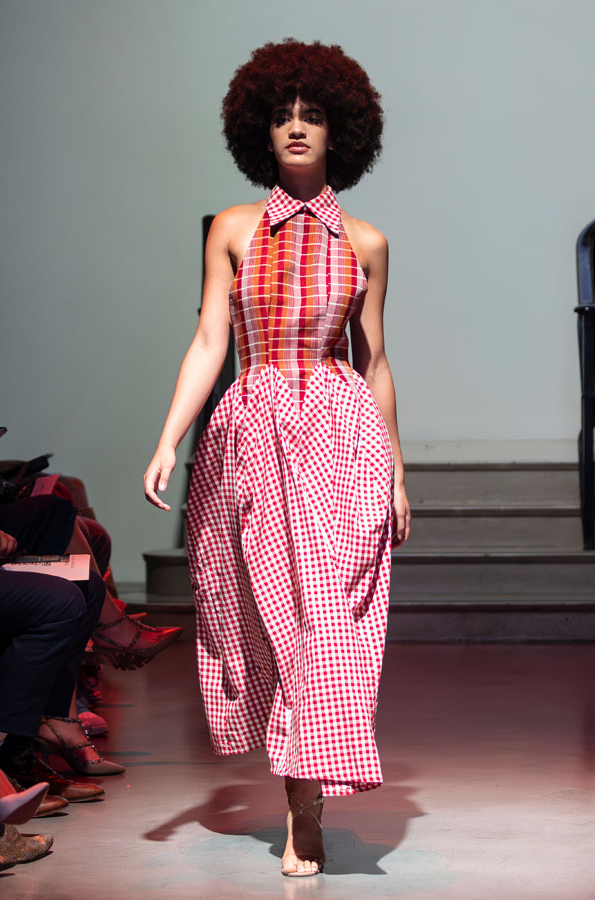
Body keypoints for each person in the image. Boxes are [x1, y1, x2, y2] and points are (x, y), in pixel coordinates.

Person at [144, 38, 410, 877]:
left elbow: (374, 362)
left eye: (314, 114)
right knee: (266, 619)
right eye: (283, 114)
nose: (297, 126)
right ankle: (300, 784)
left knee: (328, 616)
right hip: (252, 432)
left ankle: (306, 807)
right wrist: (169, 436)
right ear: (259, 130)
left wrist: (398, 472)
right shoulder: (231, 230)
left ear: (341, 132)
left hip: (340, 432)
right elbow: (209, 341)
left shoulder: (367, 242)